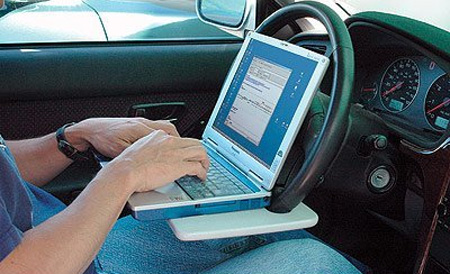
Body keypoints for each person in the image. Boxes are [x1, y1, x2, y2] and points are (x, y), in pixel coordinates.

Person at [0, 117, 362, 274]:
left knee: (264, 225)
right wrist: (124, 173)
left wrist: (75, 136)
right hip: (49, 260)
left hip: (57, 242)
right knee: (313, 262)